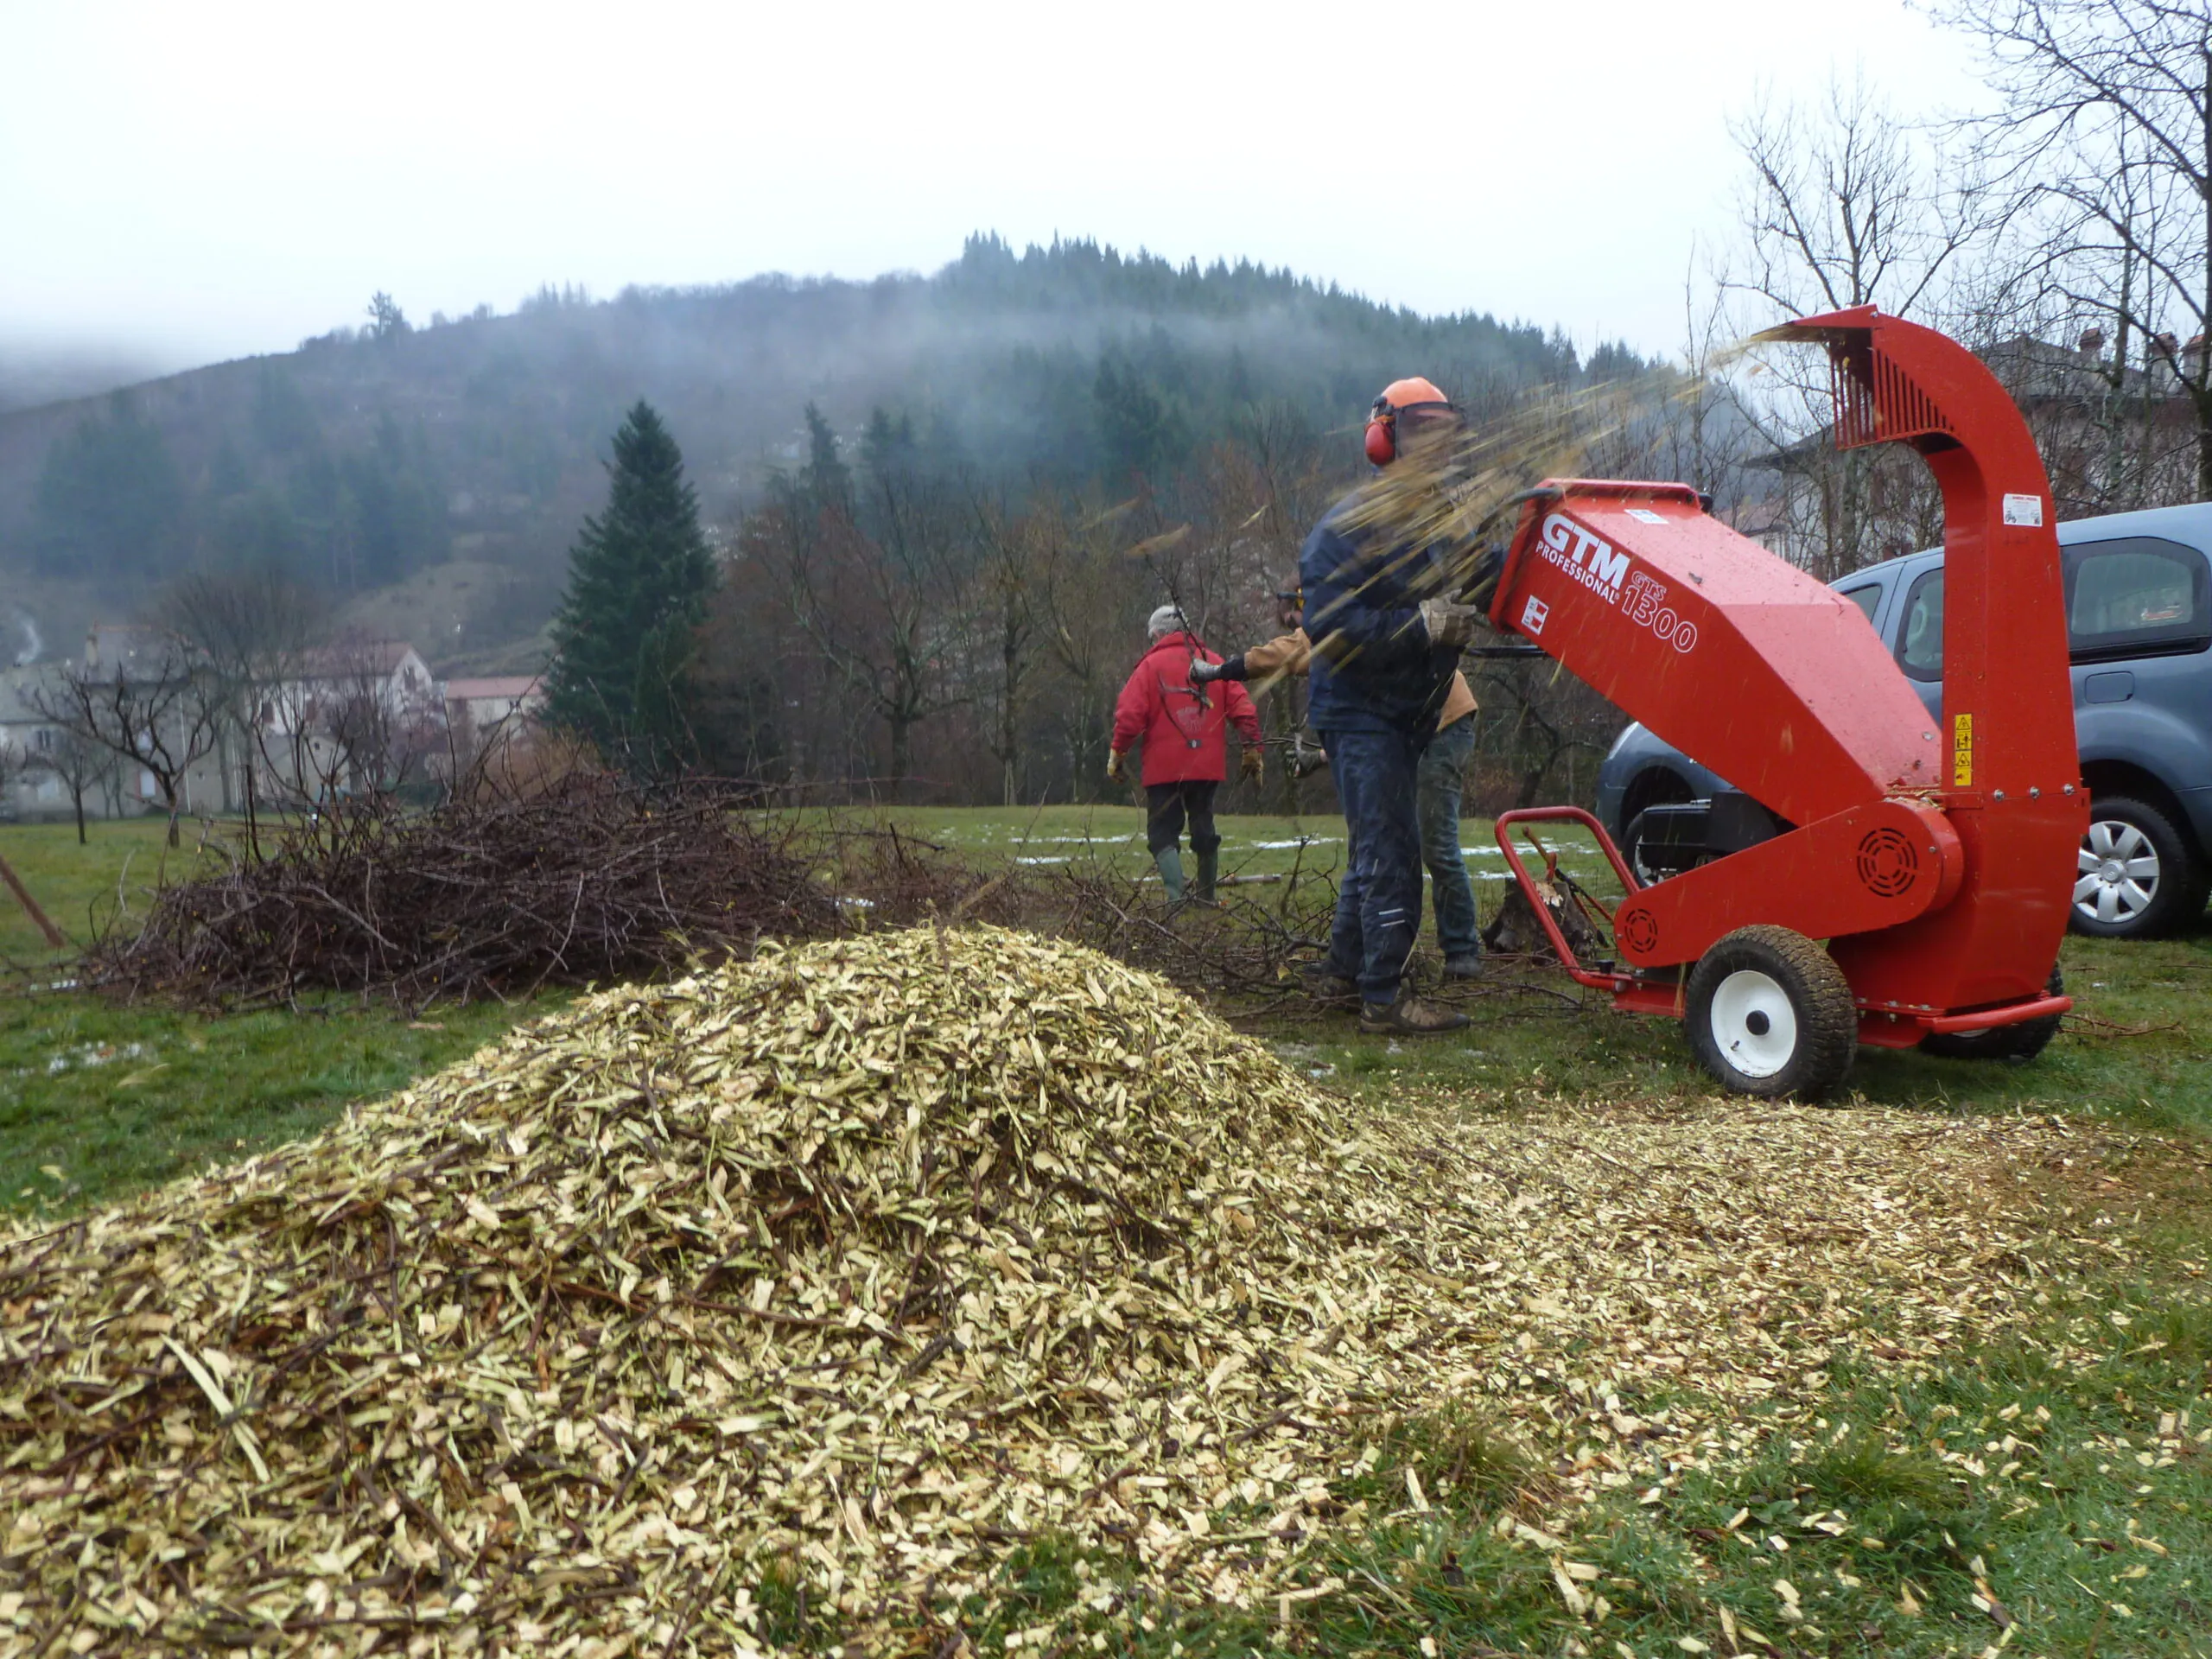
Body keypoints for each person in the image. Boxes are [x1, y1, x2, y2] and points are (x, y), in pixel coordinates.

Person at [1293, 377, 1487, 1034]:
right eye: (1420, 433)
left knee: (1374, 849)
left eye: (1443, 434)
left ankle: (1341, 976)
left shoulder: (1438, 520)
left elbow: (1486, 571)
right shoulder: (1346, 530)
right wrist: (1422, 627)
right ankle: (1385, 999)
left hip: (1403, 712)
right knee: (1392, 853)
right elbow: (1337, 632)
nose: (1434, 448)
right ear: (1385, 438)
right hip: (1360, 710)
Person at [1195, 584, 1484, 977]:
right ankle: (1351, 959)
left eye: (1291, 618)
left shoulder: (1340, 623)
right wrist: (1319, 757)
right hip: (1405, 727)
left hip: (1442, 727)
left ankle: (1461, 950)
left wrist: (1221, 671)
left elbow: (1288, 652)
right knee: (1370, 846)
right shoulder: (1344, 634)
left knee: (1434, 842)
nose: (1291, 627)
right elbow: (1369, 725)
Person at [1108, 605, 1263, 904]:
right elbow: (1244, 709)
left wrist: (1118, 754)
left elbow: (1129, 718)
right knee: (1203, 825)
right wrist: (1252, 747)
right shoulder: (1214, 663)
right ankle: (1207, 899)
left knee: (1162, 832)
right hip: (1205, 764)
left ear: (1157, 634)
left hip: (1163, 767)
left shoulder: (1148, 669)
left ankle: (1175, 901)